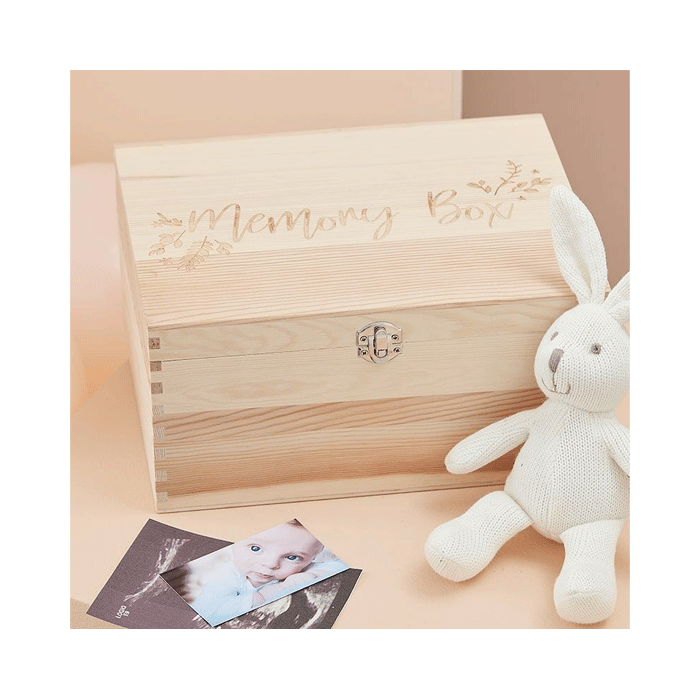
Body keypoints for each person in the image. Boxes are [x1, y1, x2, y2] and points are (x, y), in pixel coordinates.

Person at [189, 520, 346, 626]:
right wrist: (265, 596)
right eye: (255, 548)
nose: (271, 564)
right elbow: (208, 613)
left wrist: (314, 576)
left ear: (312, 558)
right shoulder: (227, 575)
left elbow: (338, 566)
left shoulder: (304, 568)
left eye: (292, 557)